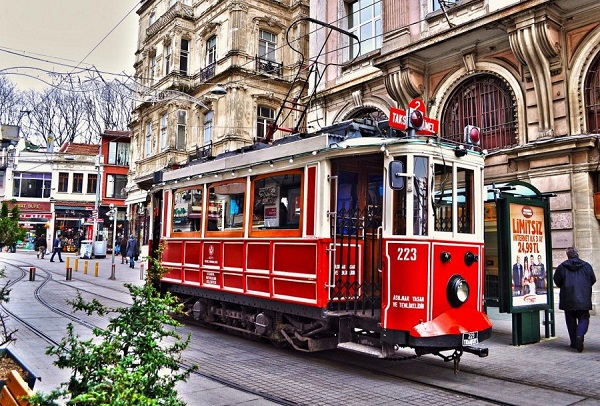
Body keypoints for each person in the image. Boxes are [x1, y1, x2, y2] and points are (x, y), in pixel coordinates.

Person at [553, 247, 596, 352]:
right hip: (583, 299)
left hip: (568, 298)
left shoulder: (562, 267)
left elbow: (557, 280)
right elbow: (592, 279)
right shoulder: (587, 266)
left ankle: (574, 342)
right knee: (584, 318)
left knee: (570, 320)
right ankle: (579, 335)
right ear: (577, 254)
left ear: (568, 255)